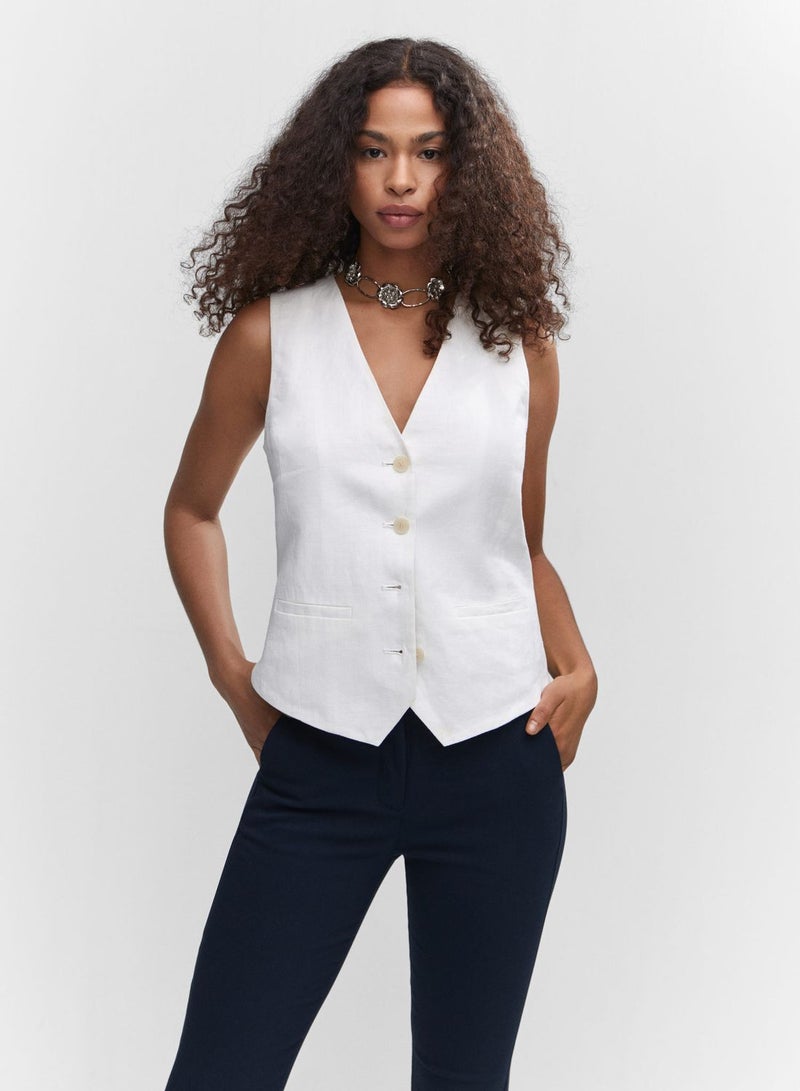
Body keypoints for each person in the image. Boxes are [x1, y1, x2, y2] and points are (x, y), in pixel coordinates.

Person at [162, 36, 597, 1091]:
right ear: (336, 164)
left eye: (428, 151)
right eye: (373, 150)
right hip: (319, 761)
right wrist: (235, 678)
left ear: (464, 169)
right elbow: (191, 510)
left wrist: (577, 664)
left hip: (496, 759)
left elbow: (520, 542)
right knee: (221, 1070)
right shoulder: (270, 336)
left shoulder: (521, 345)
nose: (401, 179)